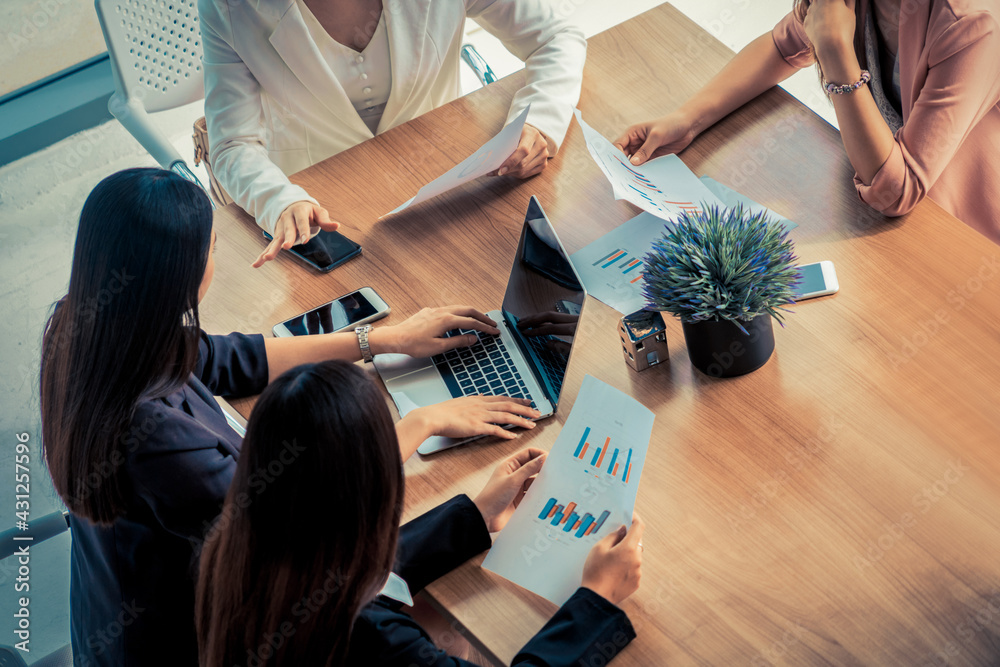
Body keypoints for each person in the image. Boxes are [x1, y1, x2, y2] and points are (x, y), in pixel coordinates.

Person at [39, 168, 540, 666]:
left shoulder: (86, 330)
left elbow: (227, 359)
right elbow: (305, 533)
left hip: (115, 619)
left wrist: (381, 340)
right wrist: (422, 424)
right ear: (182, 275)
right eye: (214, 247)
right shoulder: (164, 446)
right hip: (189, 644)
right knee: (462, 631)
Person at [196, 359, 644, 666]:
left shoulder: (229, 552)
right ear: (375, 489)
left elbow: (344, 571)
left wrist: (473, 518)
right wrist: (596, 600)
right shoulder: (378, 639)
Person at [198, 0, 588, 266]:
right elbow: (232, 144)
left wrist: (538, 122)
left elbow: (555, 35)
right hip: (329, 215)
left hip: (451, 185)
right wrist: (279, 201)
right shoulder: (230, 8)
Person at [614, 0, 1000, 245]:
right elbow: (784, 46)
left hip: (964, 239)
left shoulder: (972, 23)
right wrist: (688, 119)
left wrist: (834, 50)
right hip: (885, 226)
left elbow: (896, 192)